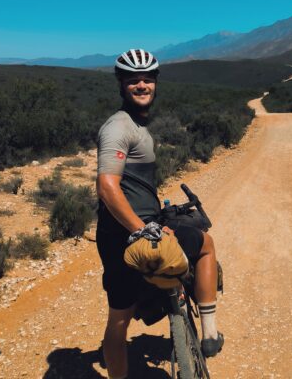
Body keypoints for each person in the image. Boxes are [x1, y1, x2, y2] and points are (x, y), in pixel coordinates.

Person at [96, 49, 224, 379]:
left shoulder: (136, 125)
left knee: (120, 318)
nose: (142, 85)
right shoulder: (118, 128)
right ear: (121, 85)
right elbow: (107, 186)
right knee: (206, 244)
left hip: (121, 233)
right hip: (130, 233)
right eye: (133, 80)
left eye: (147, 79)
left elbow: (130, 186)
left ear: (155, 83)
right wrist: (141, 227)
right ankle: (210, 333)